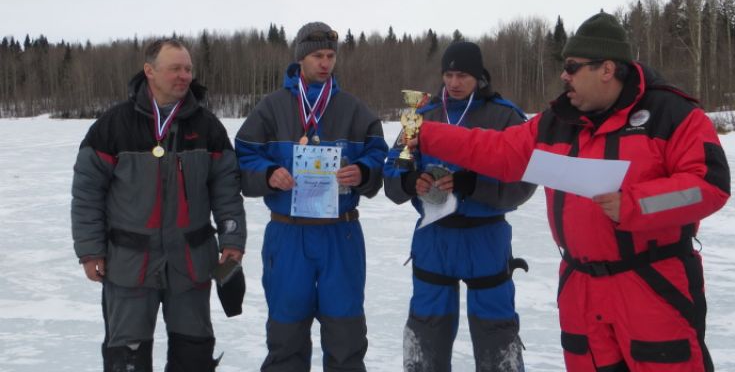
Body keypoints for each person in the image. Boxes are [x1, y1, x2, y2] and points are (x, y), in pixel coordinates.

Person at [410, 13, 730, 371]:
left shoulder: (672, 114)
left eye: (572, 67)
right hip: (581, 287)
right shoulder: (558, 120)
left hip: (650, 284)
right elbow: (499, 151)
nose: (564, 75)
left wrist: (637, 204)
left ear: (606, 69)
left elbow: (710, 185)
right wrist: (426, 132)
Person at [71, 38, 247, 372]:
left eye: (188, 69)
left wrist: (233, 241)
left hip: (190, 262)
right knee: (127, 357)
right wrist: (91, 250)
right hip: (129, 265)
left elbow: (226, 192)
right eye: (175, 68)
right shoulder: (113, 126)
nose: (184, 76)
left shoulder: (207, 127)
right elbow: (87, 194)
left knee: (194, 355)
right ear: (149, 71)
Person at [235, 21, 388, 372]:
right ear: (301, 58)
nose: (325, 63)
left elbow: (381, 158)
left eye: (331, 56)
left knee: (346, 339)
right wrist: (269, 174)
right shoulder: (271, 108)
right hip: (289, 235)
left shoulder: (354, 109)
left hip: (341, 233)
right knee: (286, 338)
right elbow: (242, 157)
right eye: (317, 55)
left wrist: (363, 172)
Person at [384, 41, 536, 371]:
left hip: (485, 236)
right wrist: (411, 182)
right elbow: (392, 171)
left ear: (479, 76)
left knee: (496, 334)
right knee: (427, 331)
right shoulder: (421, 117)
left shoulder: (505, 116)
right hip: (434, 237)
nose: (454, 83)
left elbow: (525, 182)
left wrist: (473, 185)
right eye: (449, 74)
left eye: (463, 75)